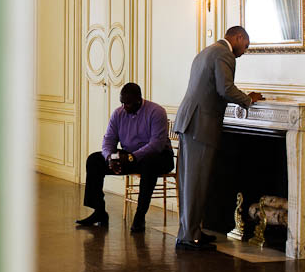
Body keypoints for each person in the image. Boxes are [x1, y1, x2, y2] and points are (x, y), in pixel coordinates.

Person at [173, 26, 264, 251]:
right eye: (246, 46)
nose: (244, 51)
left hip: (189, 121)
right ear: (238, 37)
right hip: (201, 125)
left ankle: (189, 231)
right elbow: (225, 88)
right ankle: (190, 236)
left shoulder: (205, 51)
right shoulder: (224, 53)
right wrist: (248, 99)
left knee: (188, 181)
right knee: (196, 181)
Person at [75, 82, 175, 233]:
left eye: (128, 103)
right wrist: (110, 157)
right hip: (130, 156)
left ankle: (140, 216)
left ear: (139, 100)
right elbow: (108, 140)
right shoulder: (118, 114)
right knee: (94, 160)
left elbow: (157, 144)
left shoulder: (156, 112)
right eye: (122, 102)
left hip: (159, 157)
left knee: (149, 163)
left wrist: (131, 158)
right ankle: (99, 212)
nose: (124, 106)